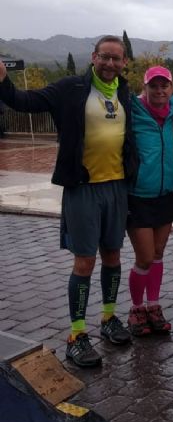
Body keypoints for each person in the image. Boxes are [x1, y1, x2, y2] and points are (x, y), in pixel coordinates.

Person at [0, 36, 137, 368]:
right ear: (94, 57)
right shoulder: (70, 88)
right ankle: (76, 335)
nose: (110, 64)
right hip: (83, 188)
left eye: (116, 59)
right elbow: (23, 101)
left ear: (123, 62)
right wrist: (3, 80)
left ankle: (108, 318)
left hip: (116, 187)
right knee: (84, 262)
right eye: (104, 57)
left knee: (113, 256)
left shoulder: (124, 92)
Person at [126, 66, 173, 337]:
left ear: (171, 88)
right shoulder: (132, 110)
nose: (159, 91)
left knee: (158, 254)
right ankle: (136, 308)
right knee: (145, 257)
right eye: (153, 86)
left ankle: (153, 306)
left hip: (165, 193)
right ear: (144, 87)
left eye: (164, 86)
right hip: (138, 196)